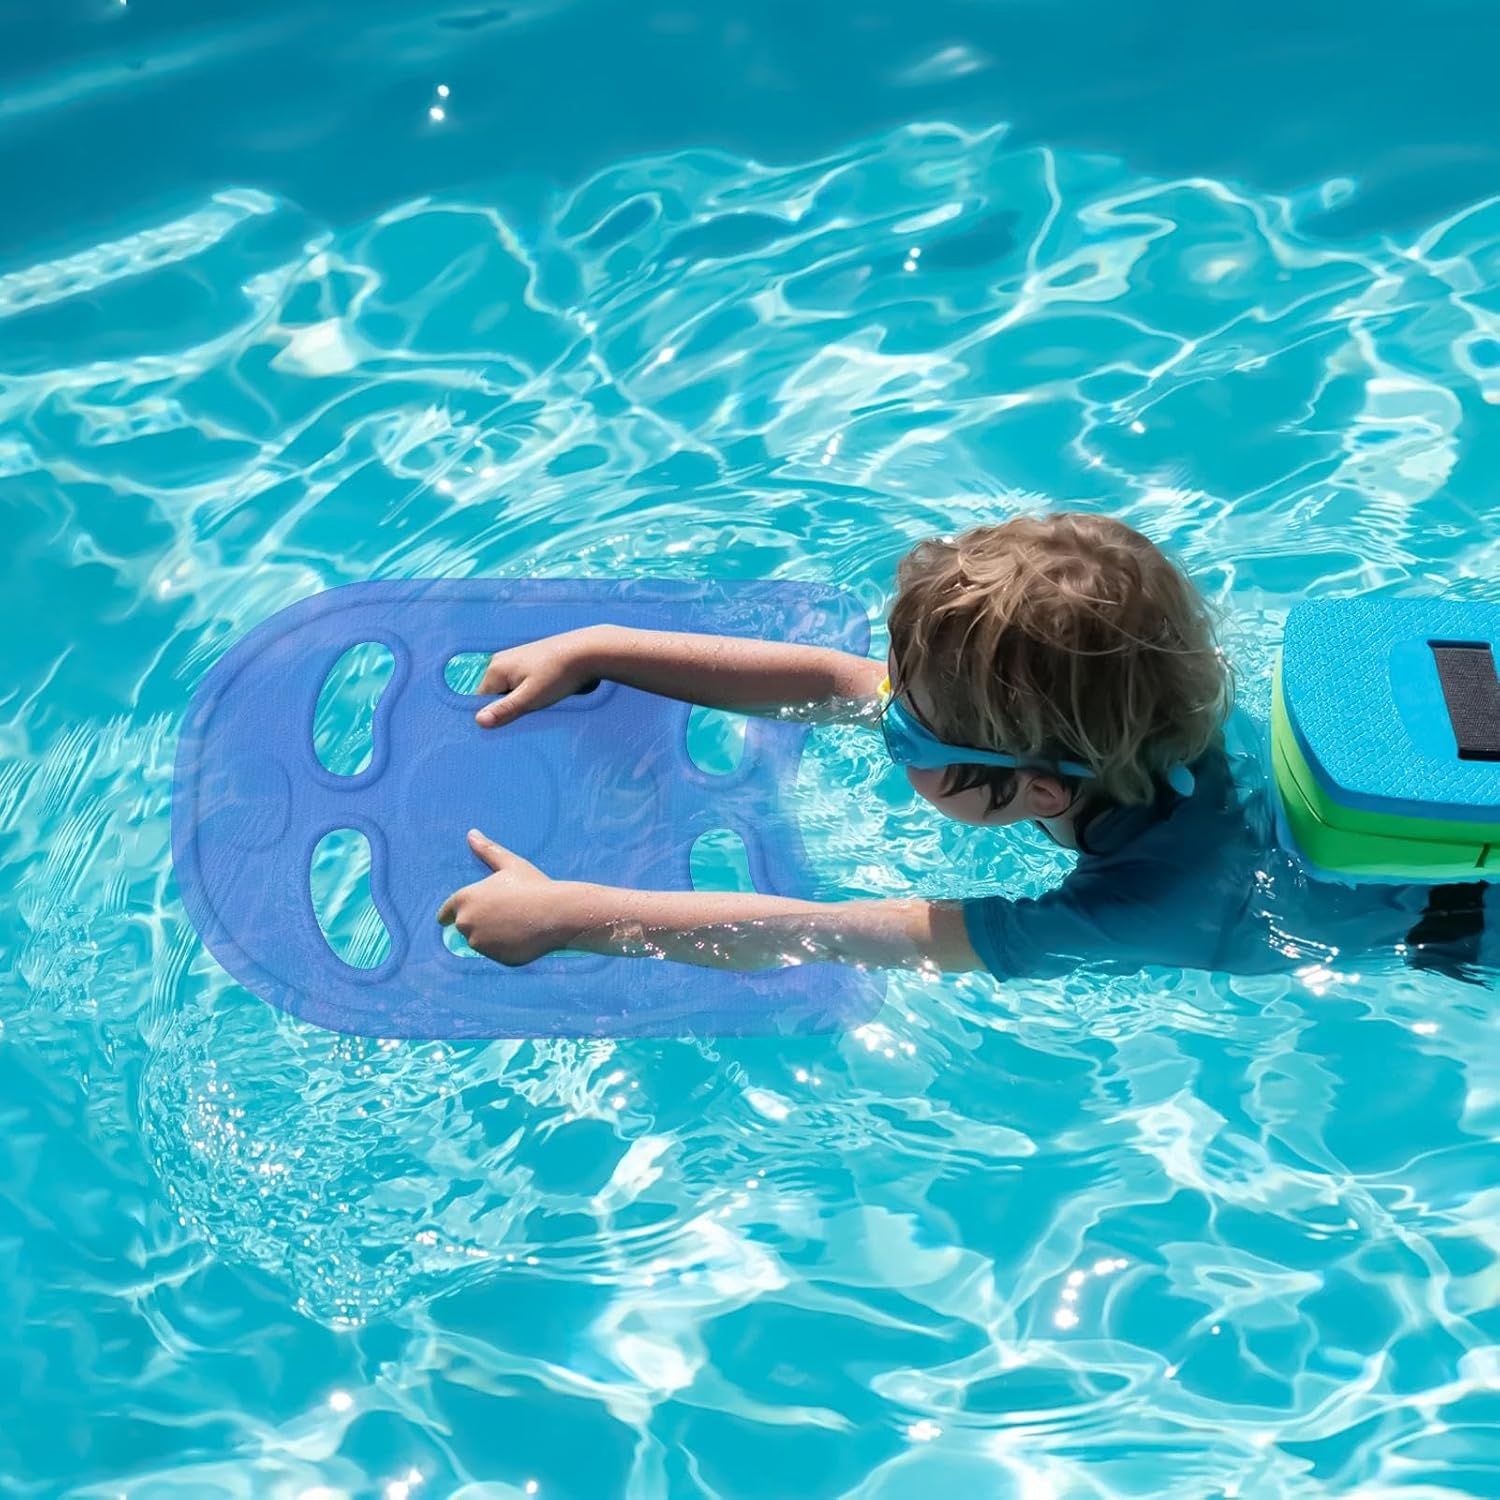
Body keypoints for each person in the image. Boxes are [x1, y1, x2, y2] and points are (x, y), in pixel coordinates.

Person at [436, 512, 1477, 981]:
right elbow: (833, 682)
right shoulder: (1141, 710)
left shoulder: (1137, 907)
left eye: (905, 732)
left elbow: (824, 934)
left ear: (1036, 791)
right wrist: (604, 648)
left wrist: (569, 918)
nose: (879, 708)